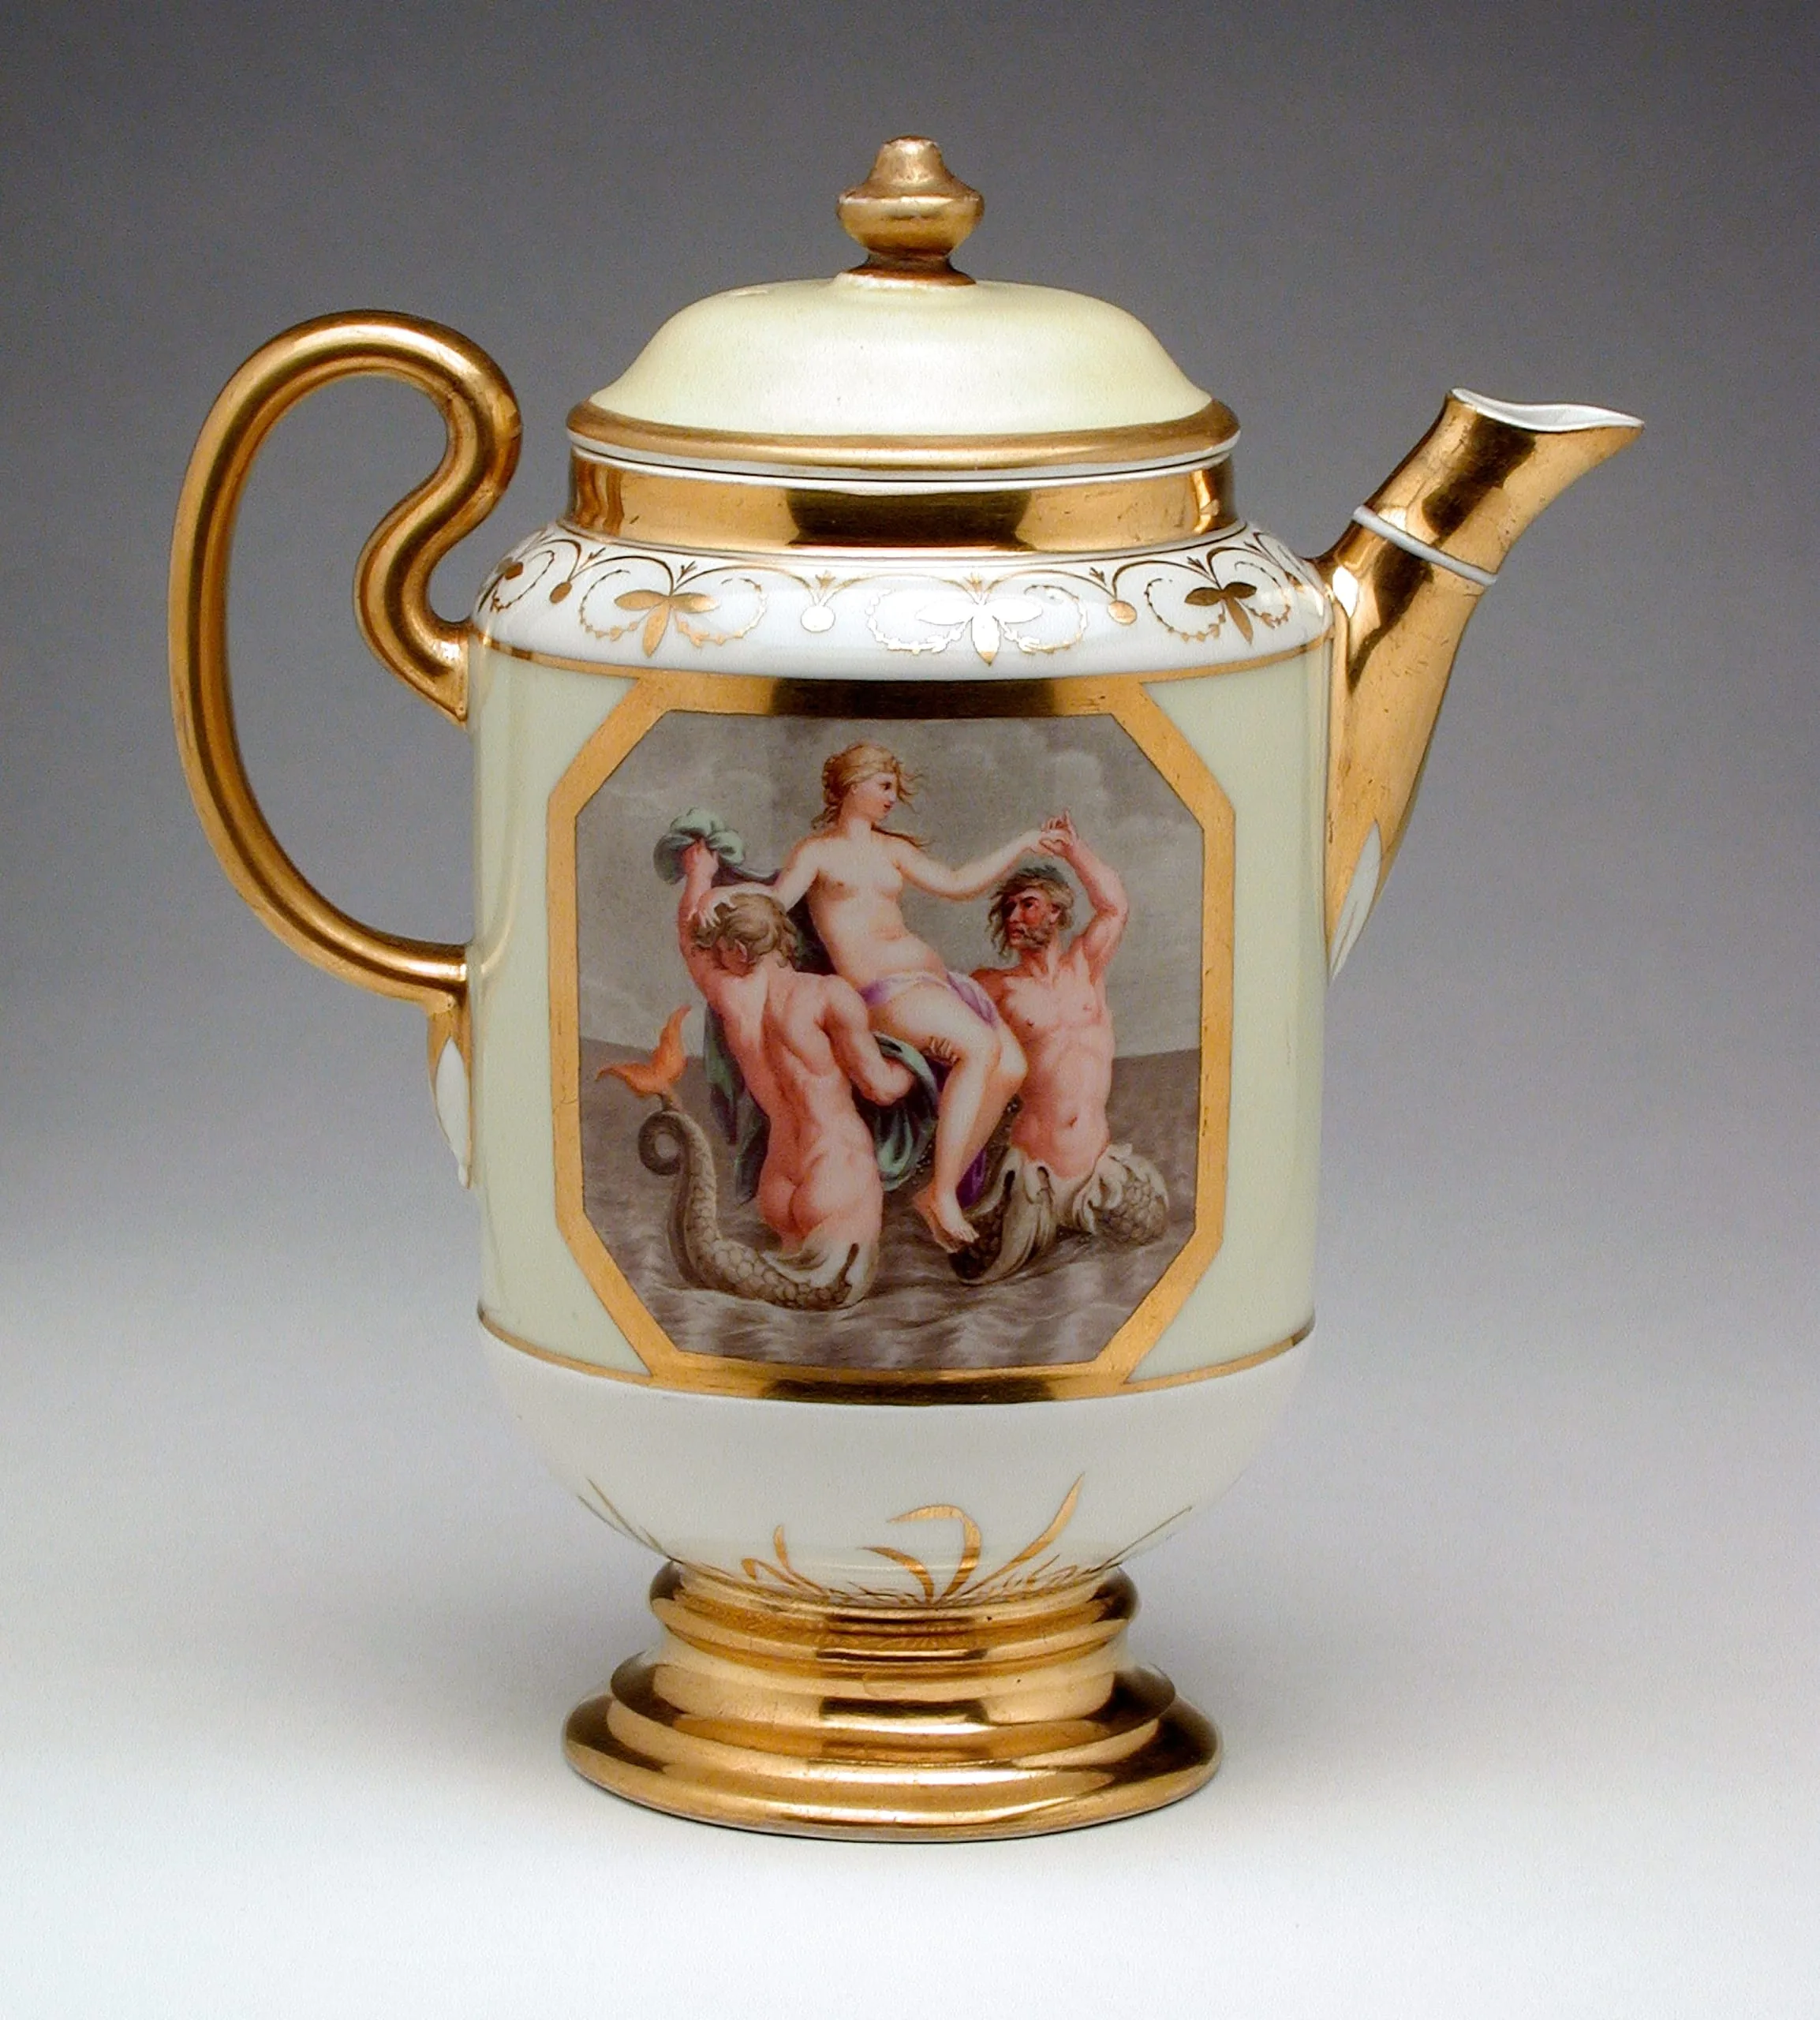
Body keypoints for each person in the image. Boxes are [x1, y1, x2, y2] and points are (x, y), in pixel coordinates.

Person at [733, 743, 1059, 1251]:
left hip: (937, 986)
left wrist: (1023, 843)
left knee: (1013, 1068)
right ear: (854, 784)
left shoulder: (892, 850)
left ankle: (938, 1190)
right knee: (979, 1048)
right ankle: (943, 1196)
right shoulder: (816, 853)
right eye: (884, 786)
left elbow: (957, 883)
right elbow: (774, 905)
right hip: (885, 994)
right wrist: (723, 902)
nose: (891, 798)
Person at [677, 839, 914, 1297]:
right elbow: (881, 1088)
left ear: (738, 951)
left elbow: (690, 941)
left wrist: (698, 876)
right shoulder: (826, 995)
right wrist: (920, 1067)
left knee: (791, 1303)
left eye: (720, 948)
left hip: (780, 1177)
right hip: (834, 1166)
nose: (716, 956)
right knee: (835, 1302)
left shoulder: (732, 1000)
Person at [966, 816, 1168, 1281]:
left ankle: (1081, 1215)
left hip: (1096, 1171)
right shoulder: (997, 987)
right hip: (1034, 1177)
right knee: (980, 1269)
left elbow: (1115, 907)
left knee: (1151, 1222)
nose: (1014, 917)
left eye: (1028, 905)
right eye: (1009, 908)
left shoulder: (1085, 966)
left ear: (1056, 911)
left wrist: (1075, 851)